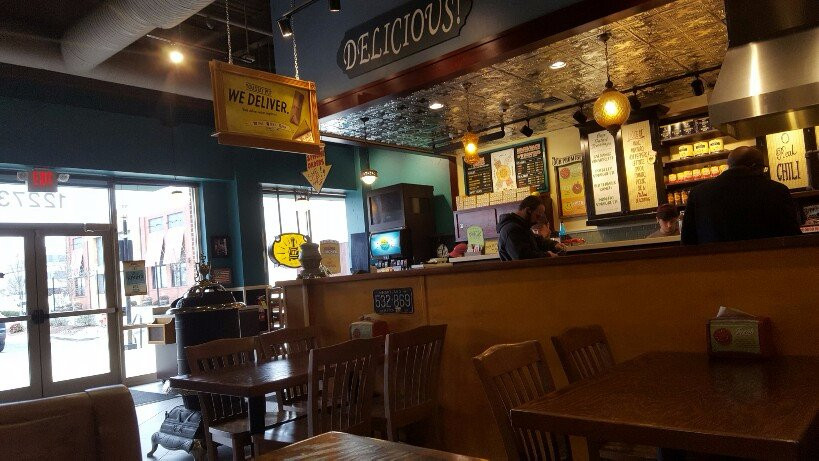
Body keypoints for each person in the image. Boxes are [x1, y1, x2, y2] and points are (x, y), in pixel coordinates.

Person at [681, 146, 802, 244]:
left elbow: (688, 240)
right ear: (755, 167)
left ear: (729, 165)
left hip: (715, 263)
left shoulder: (699, 192)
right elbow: (792, 235)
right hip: (766, 261)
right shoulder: (777, 190)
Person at [497, 195, 565, 260]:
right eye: (537, 216)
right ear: (528, 210)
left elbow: (538, 242)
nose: (537, 221)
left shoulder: (522, 226)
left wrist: (554, 245)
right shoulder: (511, 229)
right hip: (521, 268)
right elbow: (523, 257)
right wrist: (548, 255)